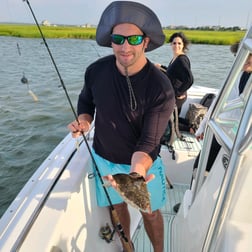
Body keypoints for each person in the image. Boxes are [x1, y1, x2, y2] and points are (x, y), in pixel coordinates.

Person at [67, 1, 175, 251]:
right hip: (104, 157)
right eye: (118, 39)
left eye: (134, 40)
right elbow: (86, 100)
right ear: (111, 41)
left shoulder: (161, 87)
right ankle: (128, 248)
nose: (125, 46)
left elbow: (149, 141)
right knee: (117, 206)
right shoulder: (95, 71)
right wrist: (84, 121)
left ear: (146, 42)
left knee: (149, 212)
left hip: (141, 165)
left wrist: (135, 174)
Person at [173, 46, 252, 213]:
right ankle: (191, 202)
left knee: (224, 180)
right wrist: (202, 127)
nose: (248, 59)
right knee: (199, 167)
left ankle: (207, 210)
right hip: (220, 131)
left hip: (240, 142)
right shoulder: (235, 74)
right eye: (245, 55)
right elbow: (217, 102)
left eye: (251, 56)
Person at [157, 32, 194, 115]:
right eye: (174, 43)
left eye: (179, 43)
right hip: (173, 94)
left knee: (170, 121)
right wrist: (161, 66)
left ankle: (192, 127)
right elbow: (173, 73)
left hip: (177, 97)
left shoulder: (181, 60)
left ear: (183, 45)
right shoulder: (176, 58)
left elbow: (189, 79)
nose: (176, 45)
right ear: (171, 44)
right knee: (173, 120)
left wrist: (178, 93)